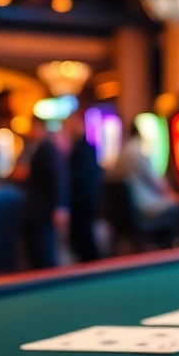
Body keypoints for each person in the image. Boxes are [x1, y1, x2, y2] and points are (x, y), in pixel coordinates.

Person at [110, 119, 179, 244]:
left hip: (128, 210)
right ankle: (171, 248)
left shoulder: (123, 151)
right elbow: (154, 181)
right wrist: (173, 196)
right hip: (142, 206)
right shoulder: (138, 151)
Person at [23, 122, 68, 269]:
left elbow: (58, 178)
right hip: (39, 211)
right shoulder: (41, 148)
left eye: (33, 127)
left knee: (45, 255)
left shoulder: (47, 149)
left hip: (44, 211)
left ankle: (51, 287)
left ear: (40, 128)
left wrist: (60, 206)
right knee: (38, 253)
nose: (31, 131)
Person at [64, 112, 103, 262]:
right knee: (82, 235)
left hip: (84, 198)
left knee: (86, 235)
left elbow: (81, 175)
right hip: (83, 198)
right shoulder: (79, 147)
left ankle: (92, 266)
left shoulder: (85, 147)